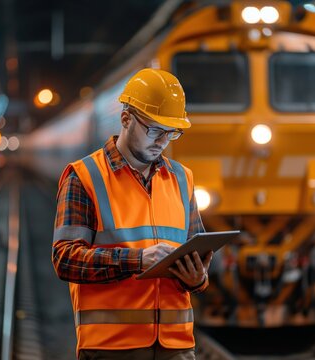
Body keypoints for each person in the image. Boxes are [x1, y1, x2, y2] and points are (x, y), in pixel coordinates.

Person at [52, 68, 213, 360]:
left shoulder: (182, 178)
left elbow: (198, 258)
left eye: (171, 133)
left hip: (177, 348)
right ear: (125, 119)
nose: (162, 141)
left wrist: (197, 279)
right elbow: (65, 260)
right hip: (112, 347)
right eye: (154, 130)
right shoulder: (84, 177)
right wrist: (139, 260)